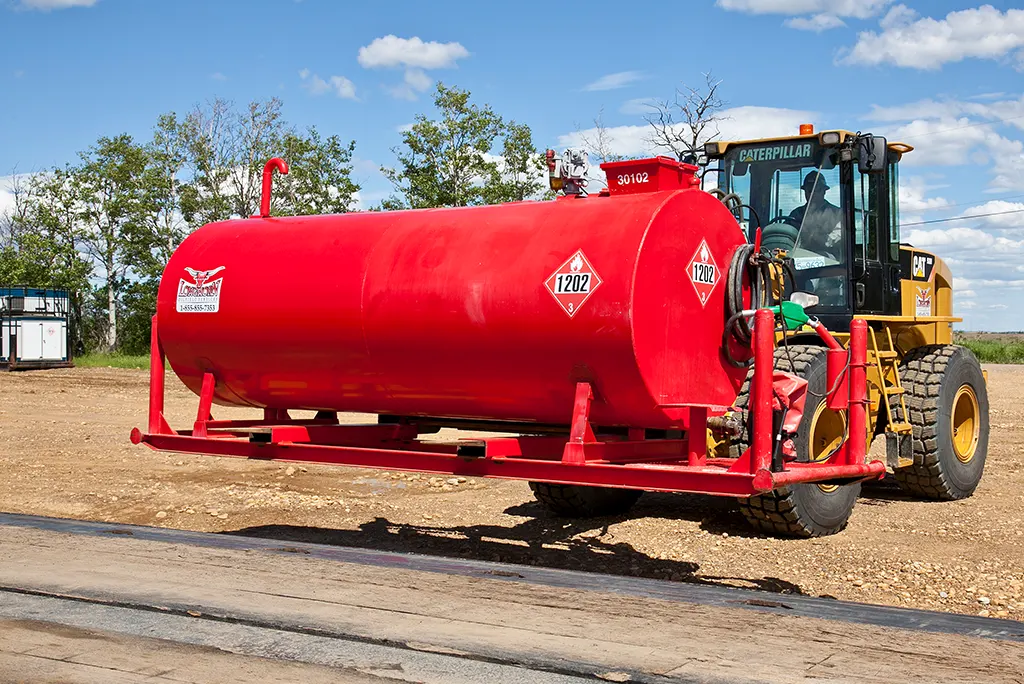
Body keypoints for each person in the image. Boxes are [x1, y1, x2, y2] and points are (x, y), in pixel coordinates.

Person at [789, 170, 843, 259]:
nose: (812, 193)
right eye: (809, 190)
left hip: (829, 264)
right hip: (797, 259)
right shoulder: (796, 214)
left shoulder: (837, 214)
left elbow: (834, 239)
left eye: (816, 189)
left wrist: (815, 237)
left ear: (824, 191)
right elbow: (786, 234)